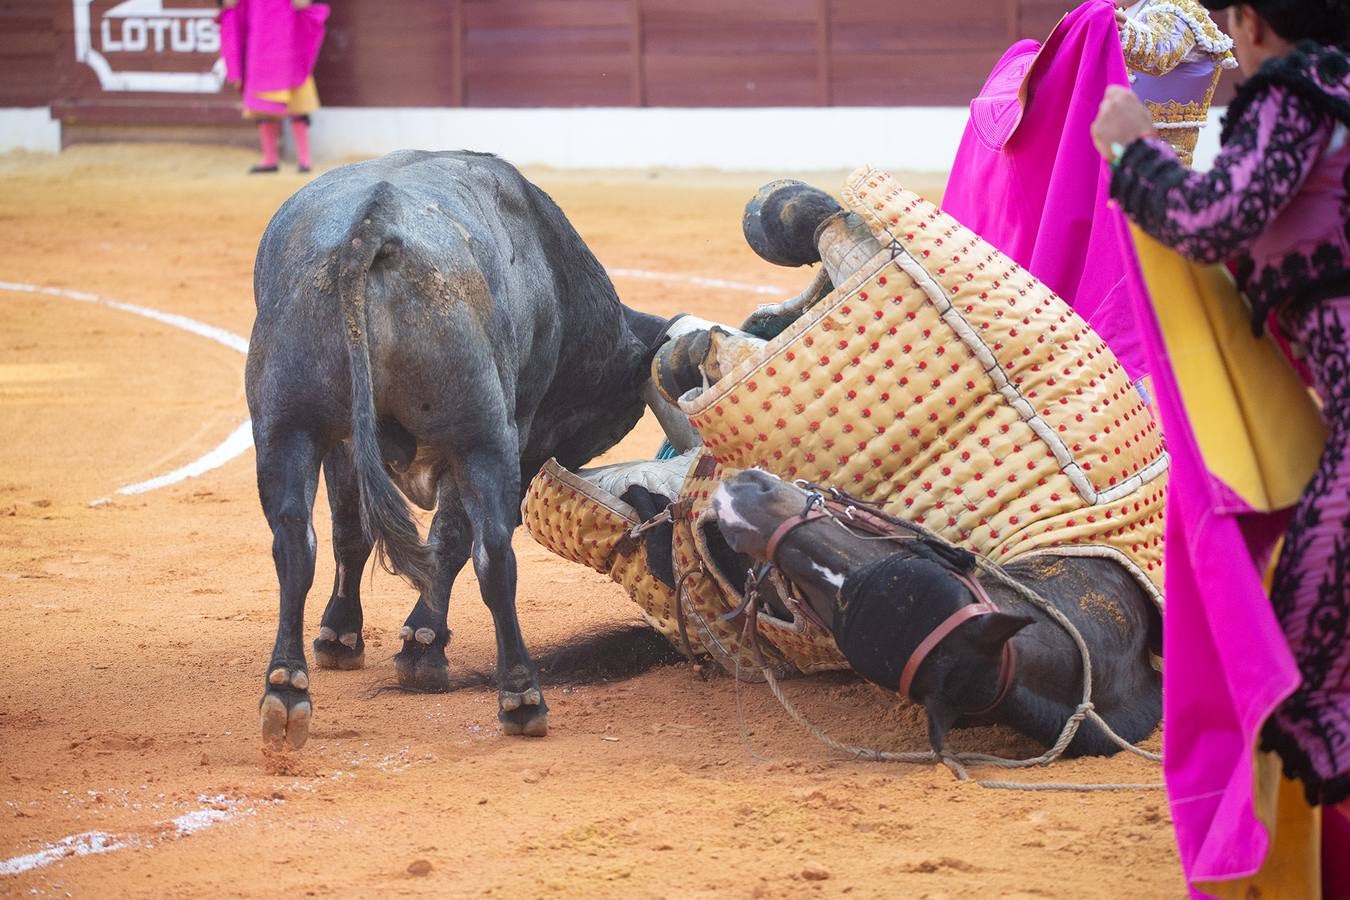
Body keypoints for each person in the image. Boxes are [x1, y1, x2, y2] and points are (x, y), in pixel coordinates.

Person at [1094, 0, 1350, 890]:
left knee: (1305, 676)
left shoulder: (1301, 94)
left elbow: (1214, 217)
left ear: (1247, 21)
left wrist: (1133, 150)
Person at [1115, 0, 1238, 166]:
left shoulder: (1178, 8)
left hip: (1160, 161)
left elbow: (1161, 52)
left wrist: (1119, 28)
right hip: (1118, 150)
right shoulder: (1129, 11)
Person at [219, 0, 329, 174]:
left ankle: (304, 159)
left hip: (287, 36)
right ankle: (270, 159)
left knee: (296, 100)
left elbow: (303, 3)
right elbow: (229, 3)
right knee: (261, 102)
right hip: (258, 37)